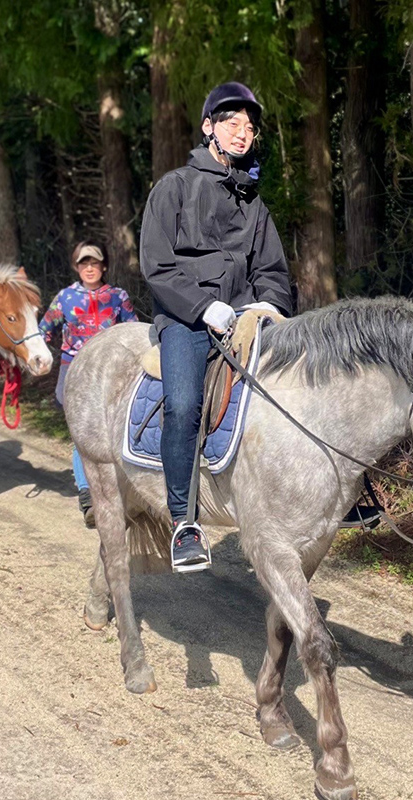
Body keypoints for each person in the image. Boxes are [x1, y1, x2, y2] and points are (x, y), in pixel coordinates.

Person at [140, 81, 293, 572]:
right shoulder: (174, 187)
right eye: (232, 123)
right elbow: (158, 265)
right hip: (187, 318)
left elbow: (273, 272)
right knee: (184, 405)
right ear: (209, 127)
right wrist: (204, 306)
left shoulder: (255, 204)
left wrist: (267, 307)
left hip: (246, 319)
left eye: (249, 127)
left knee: (298, 380)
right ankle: (184, 522)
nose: (242, 133)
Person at [40, 241, 138, 527]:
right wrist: (36, 358)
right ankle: (87, 494)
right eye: (84, 264)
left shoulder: (118, 297)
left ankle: (126, 493)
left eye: (94, 263)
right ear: (77, 267)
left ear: (104, 266)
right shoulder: (65, 298)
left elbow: (134, 329)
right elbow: (44, 330)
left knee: (116, 432)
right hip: (75, 372)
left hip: (113, 372)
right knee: (83, 437)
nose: (90, 268)